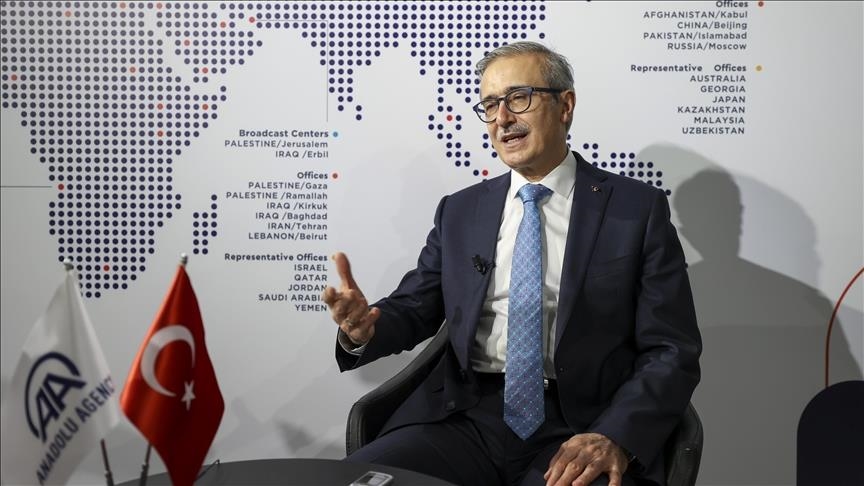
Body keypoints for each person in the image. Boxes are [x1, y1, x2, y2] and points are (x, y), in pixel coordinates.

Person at [323, 41, 701, 486]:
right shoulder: (461, 211)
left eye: (519, 98)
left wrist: (612, 434)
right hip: (464, 418)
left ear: (565, 106)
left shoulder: (635, 210)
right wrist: (364, 329)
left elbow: (671, 349)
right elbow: (415, 307)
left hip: (580, 423)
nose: (502, 118)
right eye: (490, 105)